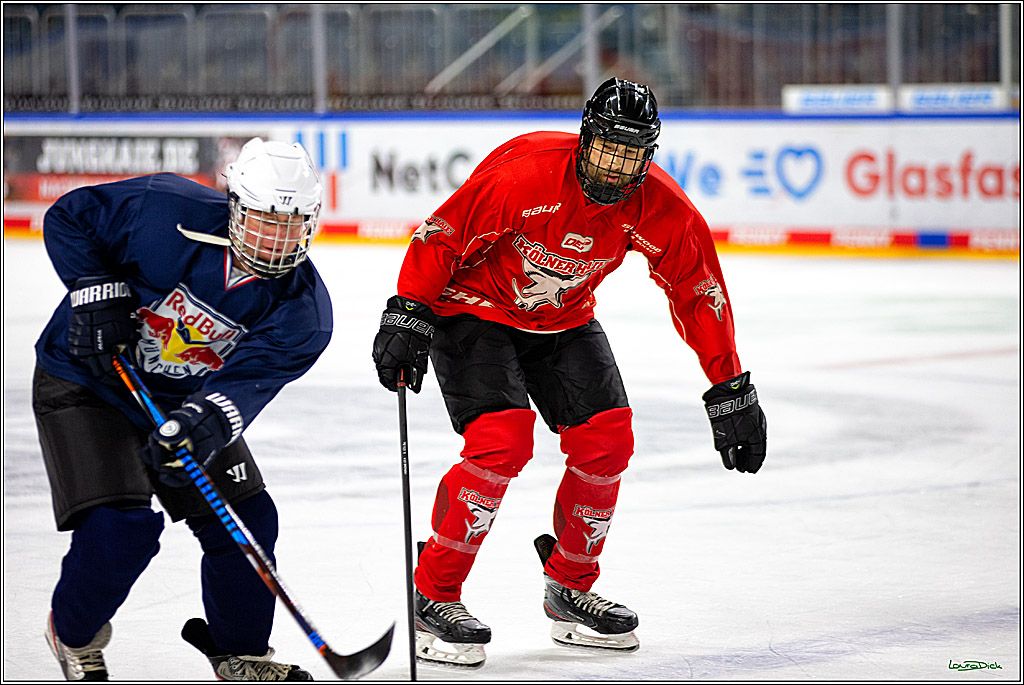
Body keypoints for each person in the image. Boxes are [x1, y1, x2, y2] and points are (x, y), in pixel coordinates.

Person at [372, 78, 768, 669]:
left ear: (648, 155)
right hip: (473, 307)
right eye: (608, 147)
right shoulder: (523, 177)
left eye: (631, 154)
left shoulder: (661, 207)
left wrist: (728, 386)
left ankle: (571, 587)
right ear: (586, 138)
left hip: (563, 316)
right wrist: (409, 311)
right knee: (501, 443)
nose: (615, 167)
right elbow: (442, 237)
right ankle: (434, 592)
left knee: (608, 439)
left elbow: (697, 290)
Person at [34, 137, 333, 681]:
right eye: (266, 220)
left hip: (180, 401)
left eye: (292, 225)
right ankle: (74, 634)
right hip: (88, 383)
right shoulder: (161, 208)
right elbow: (69, 216)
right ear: (234, 204)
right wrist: (92, 286)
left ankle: (237, 649)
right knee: (121, 528)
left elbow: (244, 387)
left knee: (248, 522)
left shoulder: (303, 311)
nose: (278, 239)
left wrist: (201, 424)